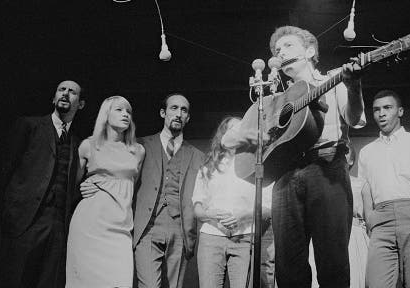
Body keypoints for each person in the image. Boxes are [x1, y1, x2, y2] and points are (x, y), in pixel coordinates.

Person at [222, 25, 366, 288]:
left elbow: (355, 120)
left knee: (333, 264)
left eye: (288, 46)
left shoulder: (334, 81)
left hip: (327, 168)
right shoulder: (273, 101)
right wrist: (247, 138)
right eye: (277, 49)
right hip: (285, 176)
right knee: (288, 268)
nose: (280, 51)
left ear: (310, 51)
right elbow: (227, 139)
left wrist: (354, 86)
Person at [0, 80, 85, 288]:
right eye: (61, 90)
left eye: (72, 92)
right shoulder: (29, 125)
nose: (65, 94)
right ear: (53, 98)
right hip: (26, 221)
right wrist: (10, 213)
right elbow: (6, 169)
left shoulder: (78, 143)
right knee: (15, 281)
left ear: (80, 104)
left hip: (57, 227)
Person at [358, 89, 410, 288]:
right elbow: (366, 190)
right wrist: (371, 219)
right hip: (381, 221)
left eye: (387, 108)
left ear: (400, 111)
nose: (381, 113)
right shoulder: (366, 152)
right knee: (376, 283)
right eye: (376, 109)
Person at [66, 96, 145, 287]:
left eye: (128, 111)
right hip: (90, 224)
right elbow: (72, 186)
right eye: (119, 110)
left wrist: (107, 184)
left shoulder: (138, 150)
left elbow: (133, 186)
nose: (125, 114)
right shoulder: (88, 145)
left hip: (120, 227)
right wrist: (87, 185)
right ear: (106, 114)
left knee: (120, 280)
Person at [133, 93, 206, 288]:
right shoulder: (141, 145)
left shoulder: (199, 156)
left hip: (180, 229)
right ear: (163, 113)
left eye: (184, 110)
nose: (179, 114)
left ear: (188, 118)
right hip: (147, 226)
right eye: (174, 108)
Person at [192, 116, 274, 288]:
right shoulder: (209, 167)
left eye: (241, 129)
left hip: (245, 238)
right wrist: (209, 214)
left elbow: (268, 208)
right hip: (211, 238)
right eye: (232, 129)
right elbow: (197, 208)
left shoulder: (256, 165)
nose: (237, 133)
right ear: (224, 135)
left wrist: (243, 216)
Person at [308, 144, 370, 288]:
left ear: (351, 160)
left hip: (353, 236)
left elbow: (369, 216)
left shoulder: (361, 184)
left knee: (353, 276)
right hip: (324, 233)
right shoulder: (318, 183)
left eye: (345, 153)